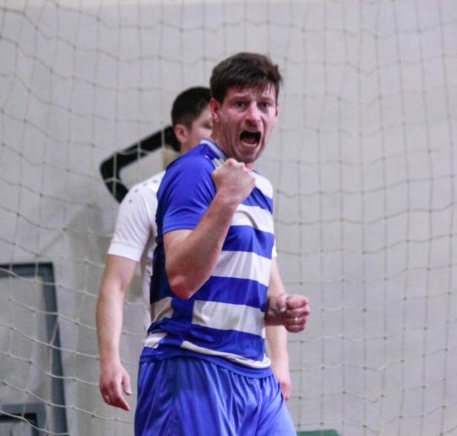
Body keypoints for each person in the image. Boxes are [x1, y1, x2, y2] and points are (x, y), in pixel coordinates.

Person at [135, 53, 311, 435]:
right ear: (216, 110)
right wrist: (226, 199)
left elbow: (224, 291)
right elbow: (182, 278)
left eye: (264, 105)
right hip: (192, 364)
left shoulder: (261, 188)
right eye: (240, 104)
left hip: (253, 373)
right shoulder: (193, 171)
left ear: (276, 114)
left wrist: (274, 307)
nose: (254, 116)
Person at [95, 86, 293, 412]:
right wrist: (110, 360)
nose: (218, 130)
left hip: (246, 367)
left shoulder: (253, 190)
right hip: (185, 360)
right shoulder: (146, 196)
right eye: (207, 125)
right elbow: (115, 284)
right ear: (181, 133)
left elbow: (271, 286)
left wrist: (280, 362)